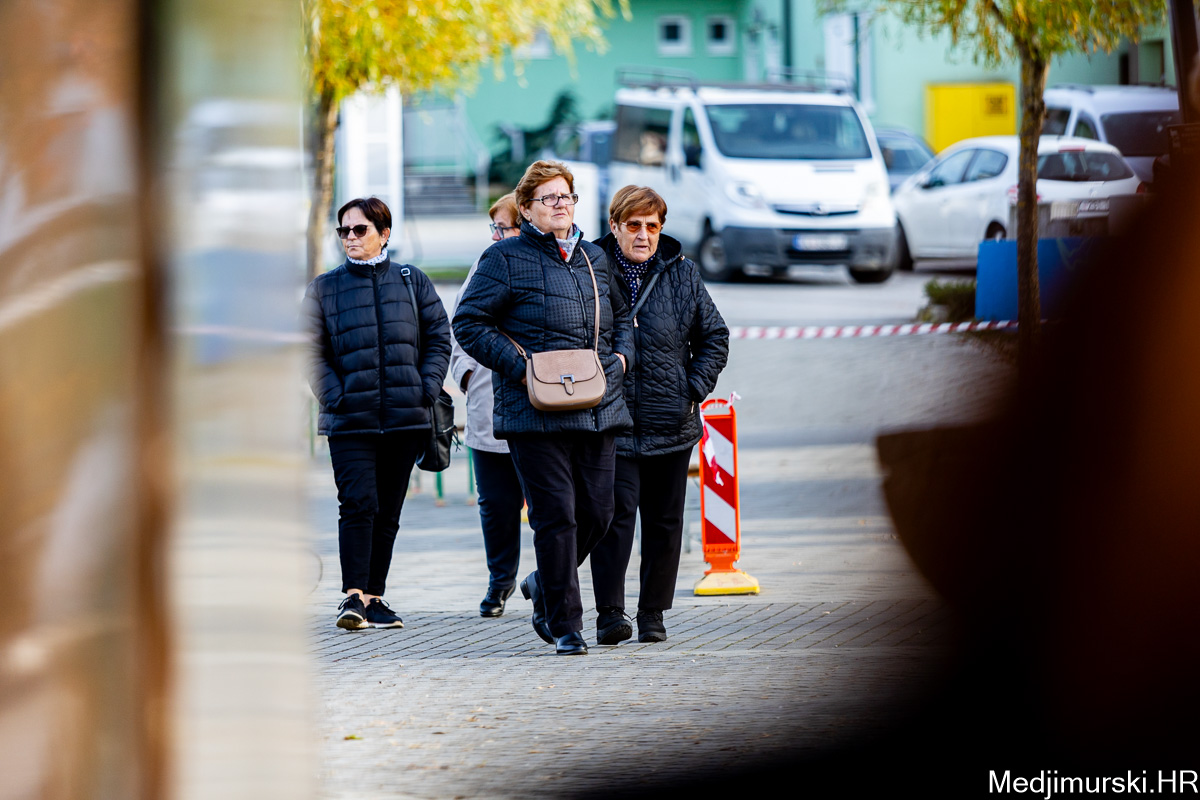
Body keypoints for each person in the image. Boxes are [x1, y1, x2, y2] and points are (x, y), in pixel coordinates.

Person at [453, 160, 634, 655]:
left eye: (566, 196)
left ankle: (543, 581)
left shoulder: (594, 257)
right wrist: (522, 368)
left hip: (596, 405)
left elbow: (620, 320)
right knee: (556, 518)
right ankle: (566, 625)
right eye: (548, 198)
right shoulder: (504, 258)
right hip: (533, 411)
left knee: (599, 512)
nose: (560, 205)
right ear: (527, 208)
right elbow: (468, 323)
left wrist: (619, 360)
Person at [587, 185, 729, 645]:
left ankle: (653, 613)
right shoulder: (590, 269)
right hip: (614, 420)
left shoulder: (682, 273)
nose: (643, 235)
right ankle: (610, 613)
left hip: (671, 421)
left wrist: (692, 389)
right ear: (614, 226)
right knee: (614, 518)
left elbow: (715, 336)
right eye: (633, 225)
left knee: (665, 523)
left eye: (652, 226)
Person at [303, 197, 451, 630]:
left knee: (388, 510)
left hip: (405, 417)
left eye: (359, 229)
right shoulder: (325, 288)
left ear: (384, 234)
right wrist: (335, 396)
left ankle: (374, 597)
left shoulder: (412, 280)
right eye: (343, 230)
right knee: (358, 503)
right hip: (350, 419)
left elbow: (439, 337)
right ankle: (352, 597)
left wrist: (424, 389)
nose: (350, 237)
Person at [448, 193, 525, 617]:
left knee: (551, 505)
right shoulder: (484, 263)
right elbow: (459, 324)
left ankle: (550, 580)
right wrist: (465, 373)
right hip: (488, 401)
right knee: (496, 504)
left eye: (503, 227)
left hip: (539, 403)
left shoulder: (545, 263)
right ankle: (500, 580)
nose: (495, 236)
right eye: (493, 228)